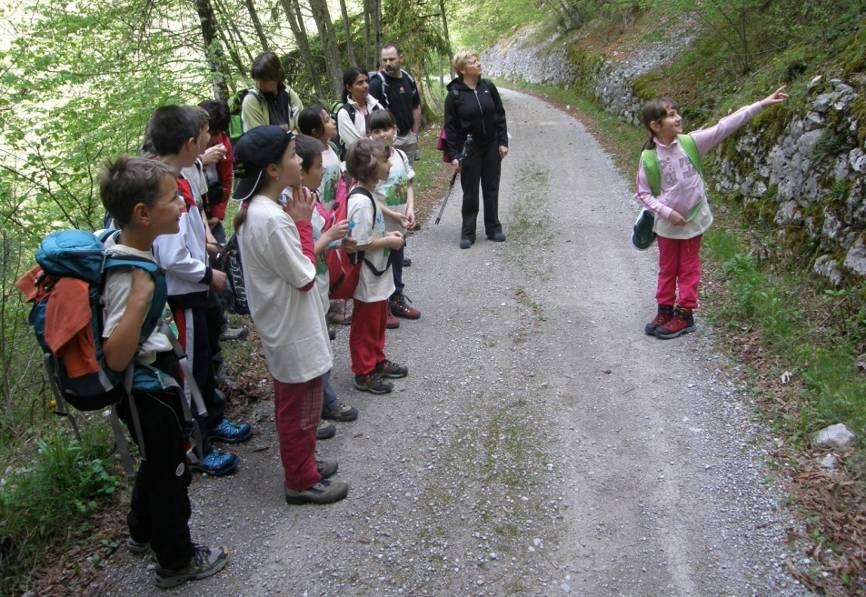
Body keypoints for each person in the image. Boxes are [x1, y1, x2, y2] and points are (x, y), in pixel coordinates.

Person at [98, 155, 228, 588]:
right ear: (143, 213)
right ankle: (176, 560)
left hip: (154, 383)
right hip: (147, 391)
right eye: (173, 200)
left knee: (156, 464)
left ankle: (141, 531)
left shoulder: (134, 250)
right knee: (170, 474)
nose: (182, 206)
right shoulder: (130, 273)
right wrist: (140, 298)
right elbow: (116, 355)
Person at [233, 126, 349, 505]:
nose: (300, 160)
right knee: (299, 406)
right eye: (292, 155)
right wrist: (301, 223)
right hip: (290, 326)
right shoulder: (271, 219)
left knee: (306, 397)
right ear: (271, 169)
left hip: (288, 323)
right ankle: (300, 480)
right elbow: (302, 275)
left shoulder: (264, 209)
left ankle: (306, 463)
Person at [637, 86, 789, 339]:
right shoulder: (649, 158)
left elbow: (725, 125)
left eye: (677, 113)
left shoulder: (691, 143)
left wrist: (760, 104)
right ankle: (664, 310)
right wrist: (667, 213)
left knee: (688, 268)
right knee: (666, 269)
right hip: (667, 223)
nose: (678, 118)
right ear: (655, 125)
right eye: (671, 115)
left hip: (693, 219)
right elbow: (643, 193)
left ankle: (685, 315)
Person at [147, 106, 249, 477]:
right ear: (191, 143)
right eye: (204, 136)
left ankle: (214, 421)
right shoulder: (160, 186)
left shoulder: (180, 176)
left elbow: (188, 229)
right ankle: (198, 446)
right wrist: (209, 275)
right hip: (180, 295)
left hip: (193, 290)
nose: (210, 140)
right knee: (188, 369)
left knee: (203, 360)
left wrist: (204, 243)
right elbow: (171, 256)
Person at [281, 134, 359, 424]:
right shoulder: (291, 208)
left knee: (321, 343)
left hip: (320, 282)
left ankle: (322, 403)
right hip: (307, 287)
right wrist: (329, 237)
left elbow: (318, 238)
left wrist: (339, 242)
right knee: (314, 348)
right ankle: (322, 405)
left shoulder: (308, 199)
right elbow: (301, 254)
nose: (324, 172)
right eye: (317, 167)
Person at [345, 138, 408, 394]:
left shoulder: (369, 194)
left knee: (379, 318)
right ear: (371, 166)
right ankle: (364, 371)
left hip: (378, 271)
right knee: (366, 323)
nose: (389, 164)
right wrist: (388, 241)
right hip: (368, 273)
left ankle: (377, 359)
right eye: (384, 160)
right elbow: (357, 243)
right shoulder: (360, 202)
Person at [443, 49, 509, 249]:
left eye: (477, 60)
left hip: (491, 145)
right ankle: (468, 232)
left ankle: (493, 228)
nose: (478, 63)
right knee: (470, 191)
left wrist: (503, 142)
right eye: (473, 62)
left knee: (491, 187)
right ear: (462, 70)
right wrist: (454, 155)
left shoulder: (488, 87)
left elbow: (499, 114)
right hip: (469, 148)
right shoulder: (454, 95)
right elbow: (450, 128)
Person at [367, 110, 421, 327]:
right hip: (382, 225)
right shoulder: (371, 161)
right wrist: (392, 215)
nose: (383, 134)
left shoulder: (400, 156)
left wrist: (410, 209)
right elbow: (368, 194)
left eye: (386, 129)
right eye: (377, 131)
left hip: (400, 221)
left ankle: (397, 298)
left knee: (397, 260)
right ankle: (383, 306)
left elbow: (408, 183)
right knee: (381, 264)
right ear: (370, 134)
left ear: (395, 129)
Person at [369, 42, 421, 161]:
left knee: (408, 174)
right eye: (384, 60)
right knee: (390, 174)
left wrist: (415, 133)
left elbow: (416, 105)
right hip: (388, 140)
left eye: (392, 59)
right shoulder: (376, 83)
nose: (388, 63)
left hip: (409, 136)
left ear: (401, 58)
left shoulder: (408, 78)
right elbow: (371, 114)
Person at [197, 99, 233, 246]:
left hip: (212, 210)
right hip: (195, 211)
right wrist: (202, 161)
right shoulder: (190, 145)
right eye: (212, 133)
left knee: (220, 249)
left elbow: (226, 180)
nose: (216, 138)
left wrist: (218, 215)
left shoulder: (223, 144)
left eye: (220, 132)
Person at [241, 51, 304, 132]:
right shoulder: (251, 102)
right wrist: (291, 135)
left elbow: (302, 125)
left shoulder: (288, 93)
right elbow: (260, 139)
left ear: (277, 76)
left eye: (264, 80)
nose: (259, 84)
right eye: (257, 79)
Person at [297, 106, 342, 210]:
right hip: (321, 213)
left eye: (331, 118)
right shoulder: (312, 157)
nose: (333, 122)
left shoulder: (331, 148)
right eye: (327, 120)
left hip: (335, 210)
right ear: (315, 132)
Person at [336, 67, 384, 151]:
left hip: (382, 156)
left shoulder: (376, 106)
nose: (366, 85)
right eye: (360, 83)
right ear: (348, 87)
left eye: (367, 81)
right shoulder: (345, 113)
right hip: (359, 161)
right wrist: (381, 139)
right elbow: (356, 144)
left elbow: (391, 131)